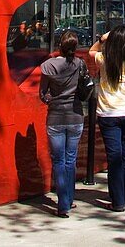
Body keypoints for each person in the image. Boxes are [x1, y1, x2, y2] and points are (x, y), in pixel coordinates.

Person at [89, 26, 125, 212]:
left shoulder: (104, 60)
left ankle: (118, 201)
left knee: (114, 158)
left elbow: (92, 51)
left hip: (109, 114)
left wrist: (103, 39)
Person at [39, 30, 88, 217]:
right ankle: (68, 198)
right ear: (75, 47)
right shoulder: (79, 64)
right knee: (70, 159)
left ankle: (63, 204)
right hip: (75, 116)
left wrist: (52, 99)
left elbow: (43, 94)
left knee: (58, 161)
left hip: (56, 118)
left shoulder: (48, 66)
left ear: (60, 45)